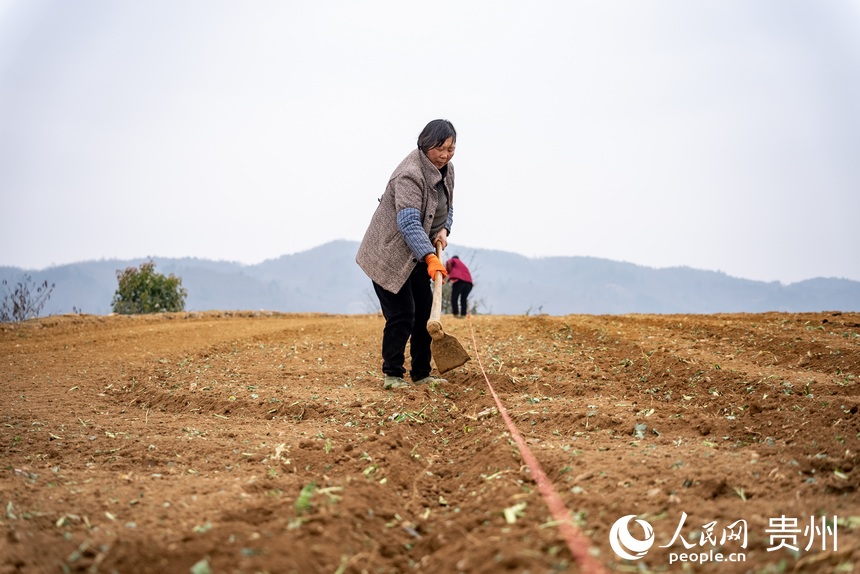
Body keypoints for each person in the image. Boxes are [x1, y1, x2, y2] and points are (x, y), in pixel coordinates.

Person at [356, 119, 457, 390]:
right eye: (440, 149)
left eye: (451, 148)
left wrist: (444, 230)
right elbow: (409, 223)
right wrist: (430, 257)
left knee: (425, 313)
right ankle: (393, 375)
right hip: (388, 255)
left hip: (417, 253)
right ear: (425, 146)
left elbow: (447, 206)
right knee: (403, 314)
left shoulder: (447, 171)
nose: (445, 155)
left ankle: (422, 373)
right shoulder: (410, 175)